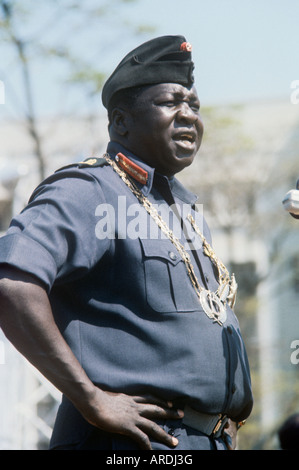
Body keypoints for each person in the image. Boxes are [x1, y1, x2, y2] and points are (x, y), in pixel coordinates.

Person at [0, 35, 253, 450]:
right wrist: (92, 399)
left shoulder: (186, 211)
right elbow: (12, 283)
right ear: (121, 122)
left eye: (194, 105)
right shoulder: (90, 190)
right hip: (132, 444)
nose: (188, 115)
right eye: (171, 102)